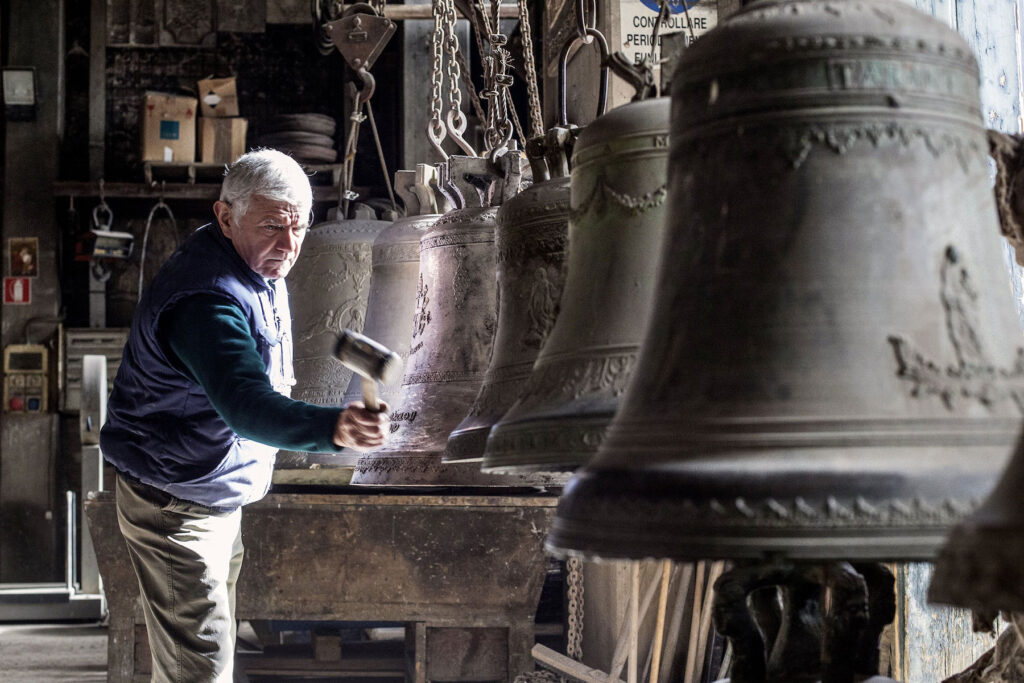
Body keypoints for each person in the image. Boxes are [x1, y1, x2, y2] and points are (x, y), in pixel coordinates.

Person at [99, 149, 389, 682]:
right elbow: (245, 405)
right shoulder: (205, 301)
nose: (289, 244)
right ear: (225, 216)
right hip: (176, 505)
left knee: (211, 658)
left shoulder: (254, 264)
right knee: (200, 670)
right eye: (274, 226)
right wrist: (332, 427)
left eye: (298, 227)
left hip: (213, 491)